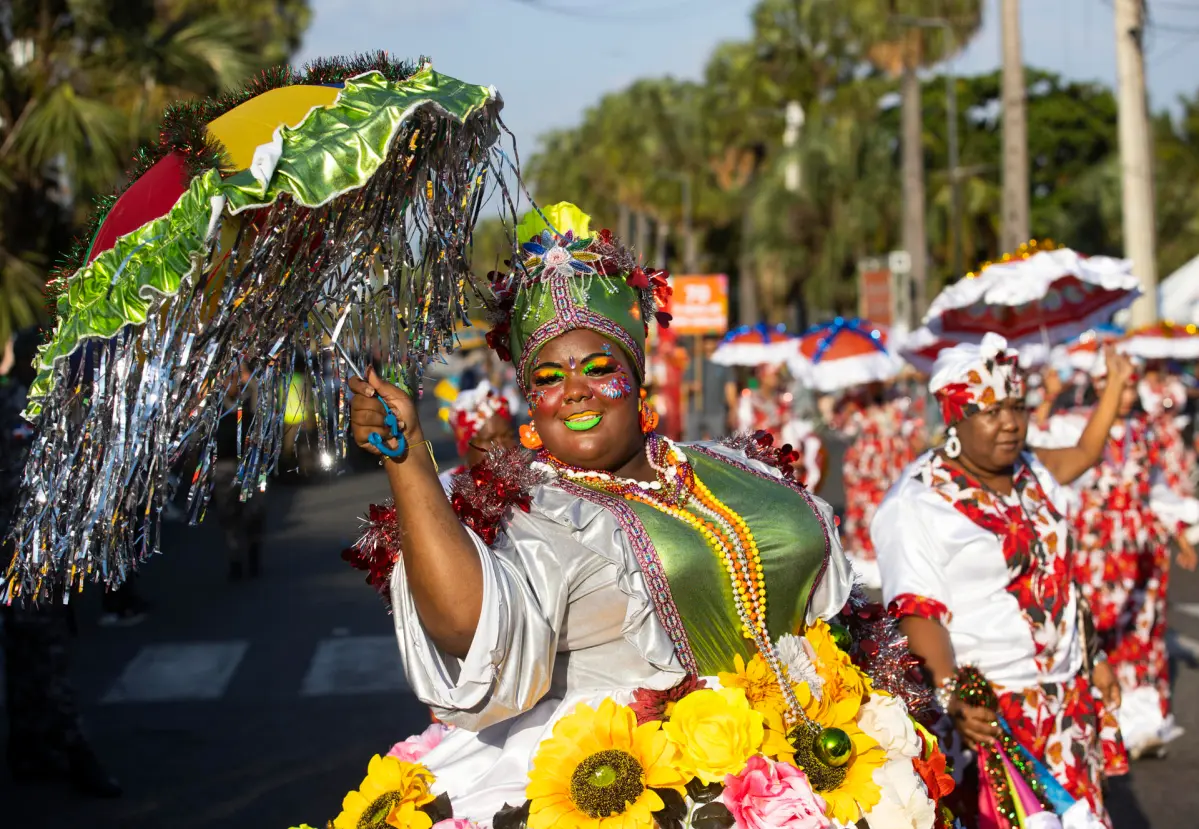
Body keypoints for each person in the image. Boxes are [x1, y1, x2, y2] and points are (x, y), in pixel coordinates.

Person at [339, 203, 945, 829]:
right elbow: (473, 631)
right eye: (548, 377)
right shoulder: (523, 513)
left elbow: (836, 606)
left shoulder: (734, 467)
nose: (574, 389)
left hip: (817, 773)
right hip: (641, 793)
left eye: (599, 369)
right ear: (531, 398)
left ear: (637, 376)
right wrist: (409, 457)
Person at [872, 334, 1132, 827]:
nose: (1010, 422)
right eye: (990, 411)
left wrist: (1091, 656)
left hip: (1065, 705)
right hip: (992, 719)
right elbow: (917, 611)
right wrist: (952, 695)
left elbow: (1082, 455)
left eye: (1017, 406)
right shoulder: (917, 503)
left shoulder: (1031, 471)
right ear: (955, 418)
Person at [1030, 356, 1199, 759]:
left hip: (1141, 550)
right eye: (1116, 385)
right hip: (1095, 548)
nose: (1124, 394)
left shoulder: (1145, 431)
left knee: (1144, 633)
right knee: (1100, 632)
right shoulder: (1073, 426)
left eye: (1128, 386)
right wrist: (1048, 398)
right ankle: (1102, 719)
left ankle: (1144, 721)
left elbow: (1157, 489)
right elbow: (1038, 457)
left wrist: (1181, 536)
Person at [1, 328, 121, 797]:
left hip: (35, 560)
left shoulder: (41, 407)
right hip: (29, 562)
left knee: (26, 657)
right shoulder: (31, 411)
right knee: (44, 658)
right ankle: (69, 750)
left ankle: (30, 750)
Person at [831, 381, 925, 589]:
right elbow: (842, 427)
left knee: (893, 510)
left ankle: (891, 557)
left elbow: (914, 427)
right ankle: (867, 559)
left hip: (893, 466)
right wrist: (852, 408)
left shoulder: (899, 397)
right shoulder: (853, 401)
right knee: (865, 513)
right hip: (865, 469)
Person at [211, 362, 265, 580]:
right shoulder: (215, 407)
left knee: (255, 513)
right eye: (228, 379)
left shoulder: (248, 402)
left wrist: (248, 375)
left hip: (250, 465)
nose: (232, 383)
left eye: (235, 378)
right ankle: (235, 559)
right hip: (224, 467)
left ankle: (253, 550)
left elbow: (261, 391)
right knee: (228, 517)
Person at [438, 380, 518, 490]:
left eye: (508, 436)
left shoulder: (531, 486)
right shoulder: (444, 491)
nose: (502, 448)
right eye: (489, 440)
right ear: (466, 445)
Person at [684, 335, 736, 441]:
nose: (709, 344)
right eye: (706, 341)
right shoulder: (695, 363)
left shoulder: (724, 364)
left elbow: (730, 388)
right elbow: (684, 386)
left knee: (718, 445)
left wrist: (732, 409)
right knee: (692, 445)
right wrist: (692, 386)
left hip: (716, 412)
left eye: (711, 341)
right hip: (695, 411)